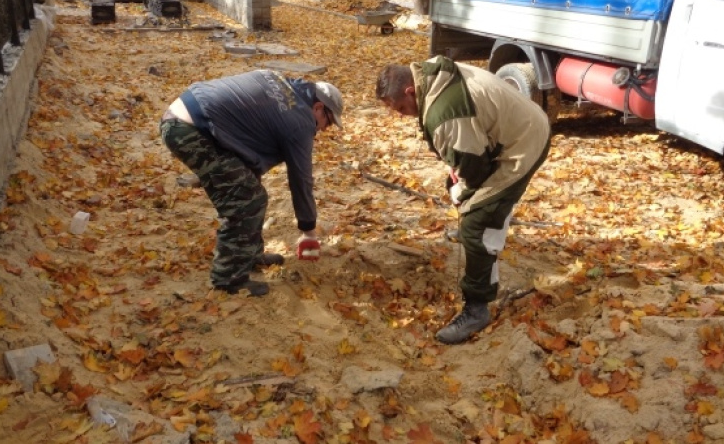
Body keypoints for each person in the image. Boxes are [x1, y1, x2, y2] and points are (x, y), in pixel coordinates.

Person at [376, 57, 550, 344]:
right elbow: (465, 143)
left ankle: (477, 308)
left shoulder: (444, 114)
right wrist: (456, 169)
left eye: (401, 109)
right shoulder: (431, 75)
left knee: (478, 221)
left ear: (410, 91)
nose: (402, 116)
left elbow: (475, 171)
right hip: (511, 127)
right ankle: (480, 235)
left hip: (524, 142)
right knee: (466, 198)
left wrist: (465, 194)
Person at [160, 70, 343, 297]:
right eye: (328, 122)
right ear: (318, 108)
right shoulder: (301, 121)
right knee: (247, 200)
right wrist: (308, 230)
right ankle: (229, 279)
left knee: (250, 187)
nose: (324, 129)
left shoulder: (284, 85)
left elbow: (251, 131)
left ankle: (248, 255)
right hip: (189, 129)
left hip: (190, 118)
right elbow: (301, 178)